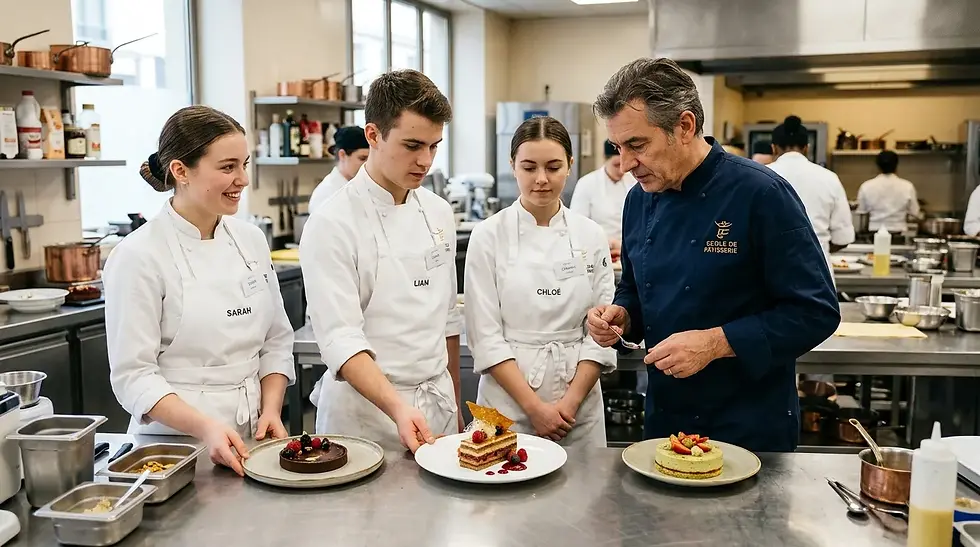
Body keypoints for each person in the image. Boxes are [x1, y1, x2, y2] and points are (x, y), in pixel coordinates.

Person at [585, 58, 840, 453]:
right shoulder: (639, 199)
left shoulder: (762, 194)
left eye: (637, 145)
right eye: (618, 147)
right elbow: (637, 287)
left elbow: (816, 310)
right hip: (667, 424)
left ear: (684, 127)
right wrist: (623, 316)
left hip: (748, 424)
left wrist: (716, 343)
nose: (626, 163)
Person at [104, 106, 295, 476]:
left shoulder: (251, 240)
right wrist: (207, 428)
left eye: (245, 164)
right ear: (180, 171)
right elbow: (134, 377)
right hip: (173, 450)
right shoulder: (138, 255)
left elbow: (275, 340)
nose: (243, 179)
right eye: (227, 167)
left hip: (250, 437)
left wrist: (271, 408)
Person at [300, 69, 461, 453]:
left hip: (434, 406)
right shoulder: (332, 222)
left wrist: (453, 404)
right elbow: (341, 339)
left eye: (434, 146)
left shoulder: (438, 212)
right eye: (412, 145)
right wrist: (397, 408)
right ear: (373, 135)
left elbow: (447, 320)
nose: (425, 161)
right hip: (365, 417)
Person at [464, 116, 616, 447]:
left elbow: (602, 333)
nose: (542, 179)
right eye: (529, 167)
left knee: (583, 496)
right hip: (506, 405)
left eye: (553, 167)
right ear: (513, 166)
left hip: (576, 406)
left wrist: (569, 403)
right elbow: (484, 336)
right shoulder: (488, 235)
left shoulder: (590, 234)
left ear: (570, 166)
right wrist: (534, 409)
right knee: (503, 493)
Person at [767, 115, 855, 261]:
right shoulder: (829, 178)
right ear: (807, 148)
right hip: (817, 272)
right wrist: (817, 248)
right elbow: (842, 238)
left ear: (774, 148)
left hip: (770, 272)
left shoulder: (757, 177)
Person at [570, 139, 637, 259]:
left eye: (623, 164)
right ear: (605, 159)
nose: (621, 170)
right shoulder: (587, 184)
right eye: (616, 165)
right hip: (597, 251)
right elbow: (577, 225)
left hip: (631, 251)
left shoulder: (634, 183)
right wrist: (608, 242)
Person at [308, 126, 370, 215]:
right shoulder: (327, 195)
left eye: (370, 159)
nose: (367, 164)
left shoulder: (363, 187)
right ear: (342, 155)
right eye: (362, 158)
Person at [857, 150, 920, 234]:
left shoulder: (866, 186)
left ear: (878, 166)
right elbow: (915, 212)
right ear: (896, 165)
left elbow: (861, 211)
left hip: (874, 232)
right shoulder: (907, 186)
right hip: (899, 232)